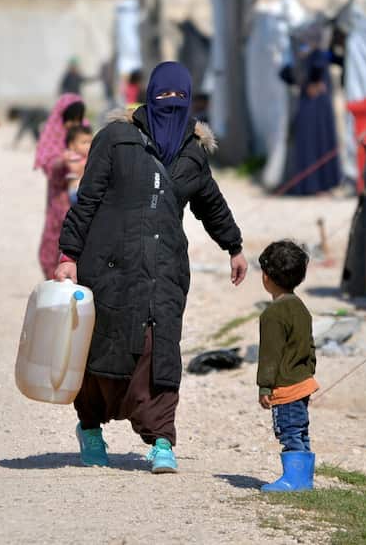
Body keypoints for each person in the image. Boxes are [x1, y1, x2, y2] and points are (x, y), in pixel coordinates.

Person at [56, 61, 248, 475]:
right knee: (102, 348)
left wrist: (233, 245)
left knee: (159, 350)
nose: (171, 106)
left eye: (179, 100)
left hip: (164, 269)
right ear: (149, 95)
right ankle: (90, 428)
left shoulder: (193, 153)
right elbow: (86, 200)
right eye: (164, 98)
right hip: (109, 264)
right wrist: (68, 256)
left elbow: (210, 204)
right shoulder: (115, 140)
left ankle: (162, 440)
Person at [256, 240, 318, 492]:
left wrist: (264, 386)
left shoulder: (272, 314)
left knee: (289, 432)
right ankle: (303, 480)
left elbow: (270, 354)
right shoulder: (300, 307)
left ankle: (294, 481)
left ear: (266, 277)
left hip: (286, 386)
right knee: (300, 431)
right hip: (303, 382)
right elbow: (310, 346)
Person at [279, 24, 342, 196]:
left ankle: (318, 187)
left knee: (316, 142)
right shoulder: (315, 54)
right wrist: (308, 84)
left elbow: (285, 73)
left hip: (311, 104)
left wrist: (303, 83)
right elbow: (286, 73)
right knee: (314, 143)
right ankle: (314, 187)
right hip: (314, 105)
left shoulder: (304, 53)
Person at [34, 93, 87, 279]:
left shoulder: (84, 133)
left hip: (81, 198)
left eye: (77, 119)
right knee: (53, 238)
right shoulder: (53, 133)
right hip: (58, 198)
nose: (73, 124)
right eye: (69, 120)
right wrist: (61, 163)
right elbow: (47, 162)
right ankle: (53, 279)